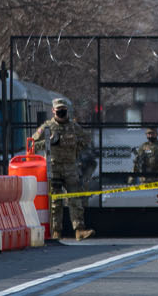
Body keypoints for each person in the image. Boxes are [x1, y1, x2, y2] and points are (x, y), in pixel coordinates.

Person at [30, 98, 95, 240]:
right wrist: (49, 141)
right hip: (54, 168)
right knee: (55, 202)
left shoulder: (73, 126)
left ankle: (79, 229)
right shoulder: (47, 127)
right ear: (53, 111)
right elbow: (31, 145)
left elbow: (86, 139)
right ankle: (56, 232)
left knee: (75, 199)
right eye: (58, 110)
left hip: (70, 168)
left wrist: (77, 146)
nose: (61, 112)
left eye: (63, 110)